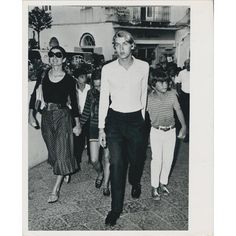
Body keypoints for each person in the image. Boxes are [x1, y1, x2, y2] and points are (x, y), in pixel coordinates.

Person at [98, 30, 149, 226]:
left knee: (137, 160)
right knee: (117, 163)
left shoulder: (143, 67)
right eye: (117, 45)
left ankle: (135, 181)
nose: (121, 49)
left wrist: (142, 119)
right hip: (115, 121)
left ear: (132, 45)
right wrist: (102, 128)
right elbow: (104, 99)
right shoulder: (108, 69)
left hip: (136, 119)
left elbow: (143, 94)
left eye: (124, 44)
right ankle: (115, 209)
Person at [29, 45, 81, 203]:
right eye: (51, 55)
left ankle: (55, 189)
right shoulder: (43, 75)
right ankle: (64, 171)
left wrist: (77, 124)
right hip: (46, 116)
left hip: (63, 116)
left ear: (64, 59)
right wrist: (30, 114)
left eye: (58, 55)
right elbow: (35, 96)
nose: (54, 58)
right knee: (53, 152)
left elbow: (74, 103)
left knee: (62, 151)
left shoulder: (69, 80)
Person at [147, 71, 186, 201]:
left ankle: (163, 183)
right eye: (161, 82)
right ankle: (154, 186)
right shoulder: (148, 98)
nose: (165, 84)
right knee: (157, 159)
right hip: (156, 131)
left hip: (171, 131)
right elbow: (141, 114)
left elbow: (178, 110)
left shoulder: (172, 95)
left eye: (166, 82)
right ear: (153, 84)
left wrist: (184, 126)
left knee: (168, 159)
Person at [80, 70, 110, 196]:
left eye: (101, 85)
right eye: (96, 86)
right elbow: (86, 112)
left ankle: (106, 185)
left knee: (108, 158)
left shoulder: (112, 93)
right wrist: (78, 125)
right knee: (94, 159)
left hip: (109, 128)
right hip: (94, 127)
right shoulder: (90, 93)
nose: (98, 88)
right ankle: (100, 173)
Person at [73, 68, 91, 167]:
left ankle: (91, 157)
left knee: (90, 137)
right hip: (78, 117)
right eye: (81, 76)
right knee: (78, 139)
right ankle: (77, 160)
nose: (84, 78)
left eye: (85, 76)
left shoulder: (89, 88)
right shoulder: (73, 90)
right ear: (76, 78)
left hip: (89, 116)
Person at [176, 58, 190, 141]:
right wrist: (179, 93)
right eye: (186, 64)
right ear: (184, 65)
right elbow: (177, 82)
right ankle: (184, 133)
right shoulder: (182, 73)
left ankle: (189, 134)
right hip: (184, 96)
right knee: (183, 114)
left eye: (189, 63)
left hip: (193, 96)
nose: (188, 65)